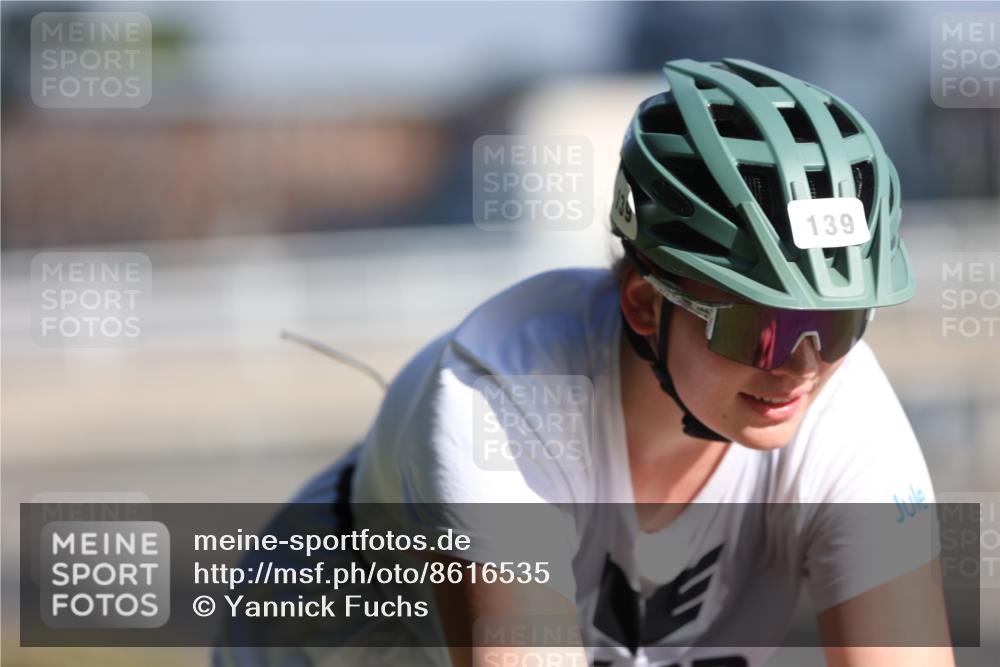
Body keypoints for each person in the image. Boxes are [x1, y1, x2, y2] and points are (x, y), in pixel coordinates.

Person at [216, 58, 955, 667]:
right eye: (760, 328)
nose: (802, 366)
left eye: (839, 322)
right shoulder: (505, 393)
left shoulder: (848, 410)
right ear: (643, 302)